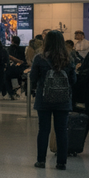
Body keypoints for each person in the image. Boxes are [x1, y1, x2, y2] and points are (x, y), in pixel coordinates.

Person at [32, 31, 76, 170]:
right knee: (61, 130)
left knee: (43, 129)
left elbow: (33, 79)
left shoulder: (39, 58)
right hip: (63, 100)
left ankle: (41, 161)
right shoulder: (68, 58)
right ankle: (61, 162)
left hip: (44, 99)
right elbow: (73, 80)